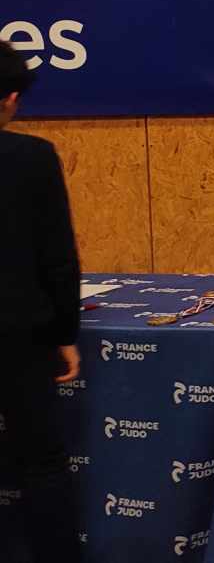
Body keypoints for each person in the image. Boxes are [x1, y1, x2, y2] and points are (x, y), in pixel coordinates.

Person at [0, 41, 83, 561]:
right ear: (10, 98)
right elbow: (59, 257)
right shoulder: (32, 157)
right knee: (41, 462)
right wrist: (65, 334)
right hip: (20, 332)